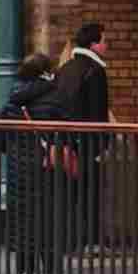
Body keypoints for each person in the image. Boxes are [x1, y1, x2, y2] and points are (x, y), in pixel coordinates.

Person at [0, 51, 72, 274]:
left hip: (17, 170)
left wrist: (12, 153)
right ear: (45, 72)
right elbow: (66, 132)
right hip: (45, 169)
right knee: (49, 221)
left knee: (23, 221)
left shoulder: (13, 98)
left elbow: (0, 135)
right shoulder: (55, 96)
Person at [52, 22, 112, 256]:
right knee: (91, 193)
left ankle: (69, 241)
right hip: (88, 144)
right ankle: (91, 242)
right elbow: (98, 111)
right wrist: (102, 145)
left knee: (70, 193)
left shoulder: (65, 69)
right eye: (104, 41)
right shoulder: (95, 71)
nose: (106, 46)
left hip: (67, 143)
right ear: (93, 44)